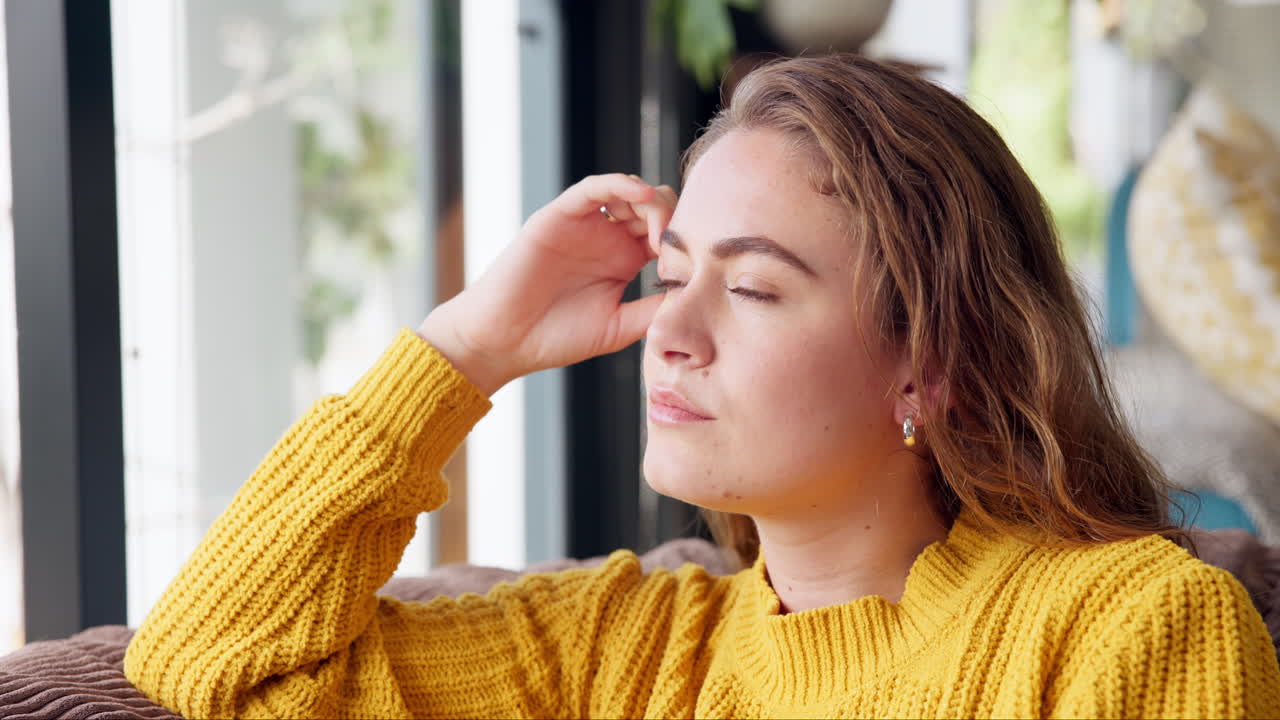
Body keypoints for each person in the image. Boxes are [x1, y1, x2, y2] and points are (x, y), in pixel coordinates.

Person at [123, 54, 1280, 719]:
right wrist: (467, 346)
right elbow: (210, 659)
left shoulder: (1128, 627)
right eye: (670, 275)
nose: (666, 330)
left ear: (927, 366)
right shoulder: (620, 648)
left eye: (756, 289)